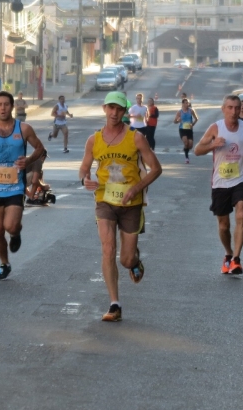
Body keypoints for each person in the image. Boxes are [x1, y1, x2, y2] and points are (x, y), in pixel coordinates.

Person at [79, 91, 163, 322]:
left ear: (125, 112)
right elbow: (84, 167)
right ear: (104, 109)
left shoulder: (136, 138)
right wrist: (85, 179)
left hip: (131, 204)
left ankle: (134, 260)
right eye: (111, 108)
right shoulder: (94, 140)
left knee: (125, 259)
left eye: (119, 109)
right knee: (108, 248)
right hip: (104, 200)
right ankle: (114, 304)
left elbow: (156, 168)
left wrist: (136, 189)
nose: (114, 113)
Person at [0, 91, 45, 280]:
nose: (2, 108)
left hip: (15, 187)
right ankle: (4, 263)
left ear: (12, 106)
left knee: (10, 226)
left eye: (6, 104)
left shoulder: (24, 129)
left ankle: (16, 233)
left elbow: (40, 148)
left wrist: (28, 161)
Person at [193, 94, 243, 275]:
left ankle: (236, 260)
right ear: (223, 109)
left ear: (241, 110)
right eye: (230, 107)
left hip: (241, 178)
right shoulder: (216, 128)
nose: (234, 111)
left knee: (241, 213)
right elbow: (197, 150)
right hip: (220, 182)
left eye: (237, 108)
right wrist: (212, 145)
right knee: (224, 225)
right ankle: (228, 254)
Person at [174, 98, 199, 163]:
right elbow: (174, 121)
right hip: (182, 129)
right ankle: (186, 158)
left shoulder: (191, 111)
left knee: (190, 145)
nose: (187, 104)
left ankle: (185, 149)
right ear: (182, 104)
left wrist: (192, 124)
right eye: (186, 103)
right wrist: (178, 120)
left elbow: (196, 119)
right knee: (186, 142)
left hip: (189, 129)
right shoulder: (179, 112)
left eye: (188, 103)